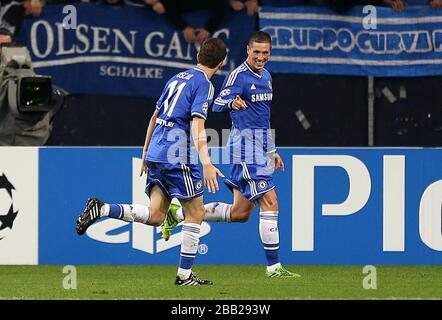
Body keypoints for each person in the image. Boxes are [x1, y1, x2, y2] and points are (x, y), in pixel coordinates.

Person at [75, 37, 227, 286]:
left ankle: (101, 209)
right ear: (221, 64)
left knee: (157, 216)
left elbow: (154, 116)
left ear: (198, 56)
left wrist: (145, 154)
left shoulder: (176, 78)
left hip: (157, 152)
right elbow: (197, 123)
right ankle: (184, 275)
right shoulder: (205, 85)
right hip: (177, 155)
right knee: (196, 212)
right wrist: (207, 163)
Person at [162, 31, 300, 279]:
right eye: (256, 52)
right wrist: (231, 103)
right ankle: (274, 268)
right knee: (271, 200)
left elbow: (263, 117)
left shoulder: (267, 77)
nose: (260, 57)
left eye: (265, 53)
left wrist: (272, 150)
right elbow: (216, 103)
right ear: (247, 50)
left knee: (240, 214)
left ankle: (179, 213)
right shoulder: (239, 77)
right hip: (243, 148)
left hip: (259, 148)